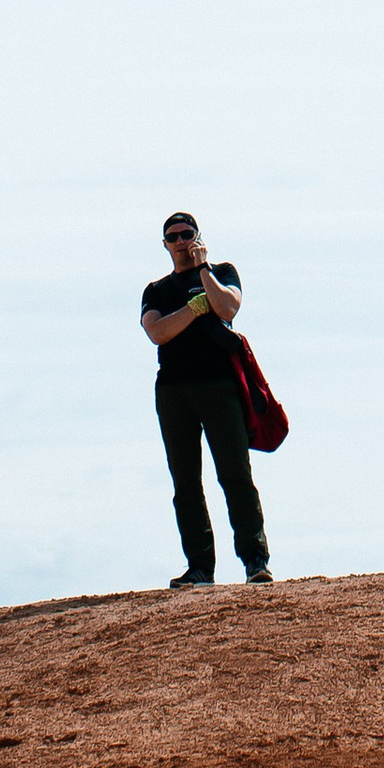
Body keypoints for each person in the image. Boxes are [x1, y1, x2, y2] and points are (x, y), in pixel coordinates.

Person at [140, 211, 274, 587]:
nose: (181, 242)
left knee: (235, 474)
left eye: (187, 234)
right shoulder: (156, 290)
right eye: (174, 236)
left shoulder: (222, 272)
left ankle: (255, 560)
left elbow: (228, 307)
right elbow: (158, 332)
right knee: (185, 482)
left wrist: (203, 274)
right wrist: (197, 309)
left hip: (220, 386)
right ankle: (200, 567)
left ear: (199, 237)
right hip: (173, 391)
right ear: (165, 244)